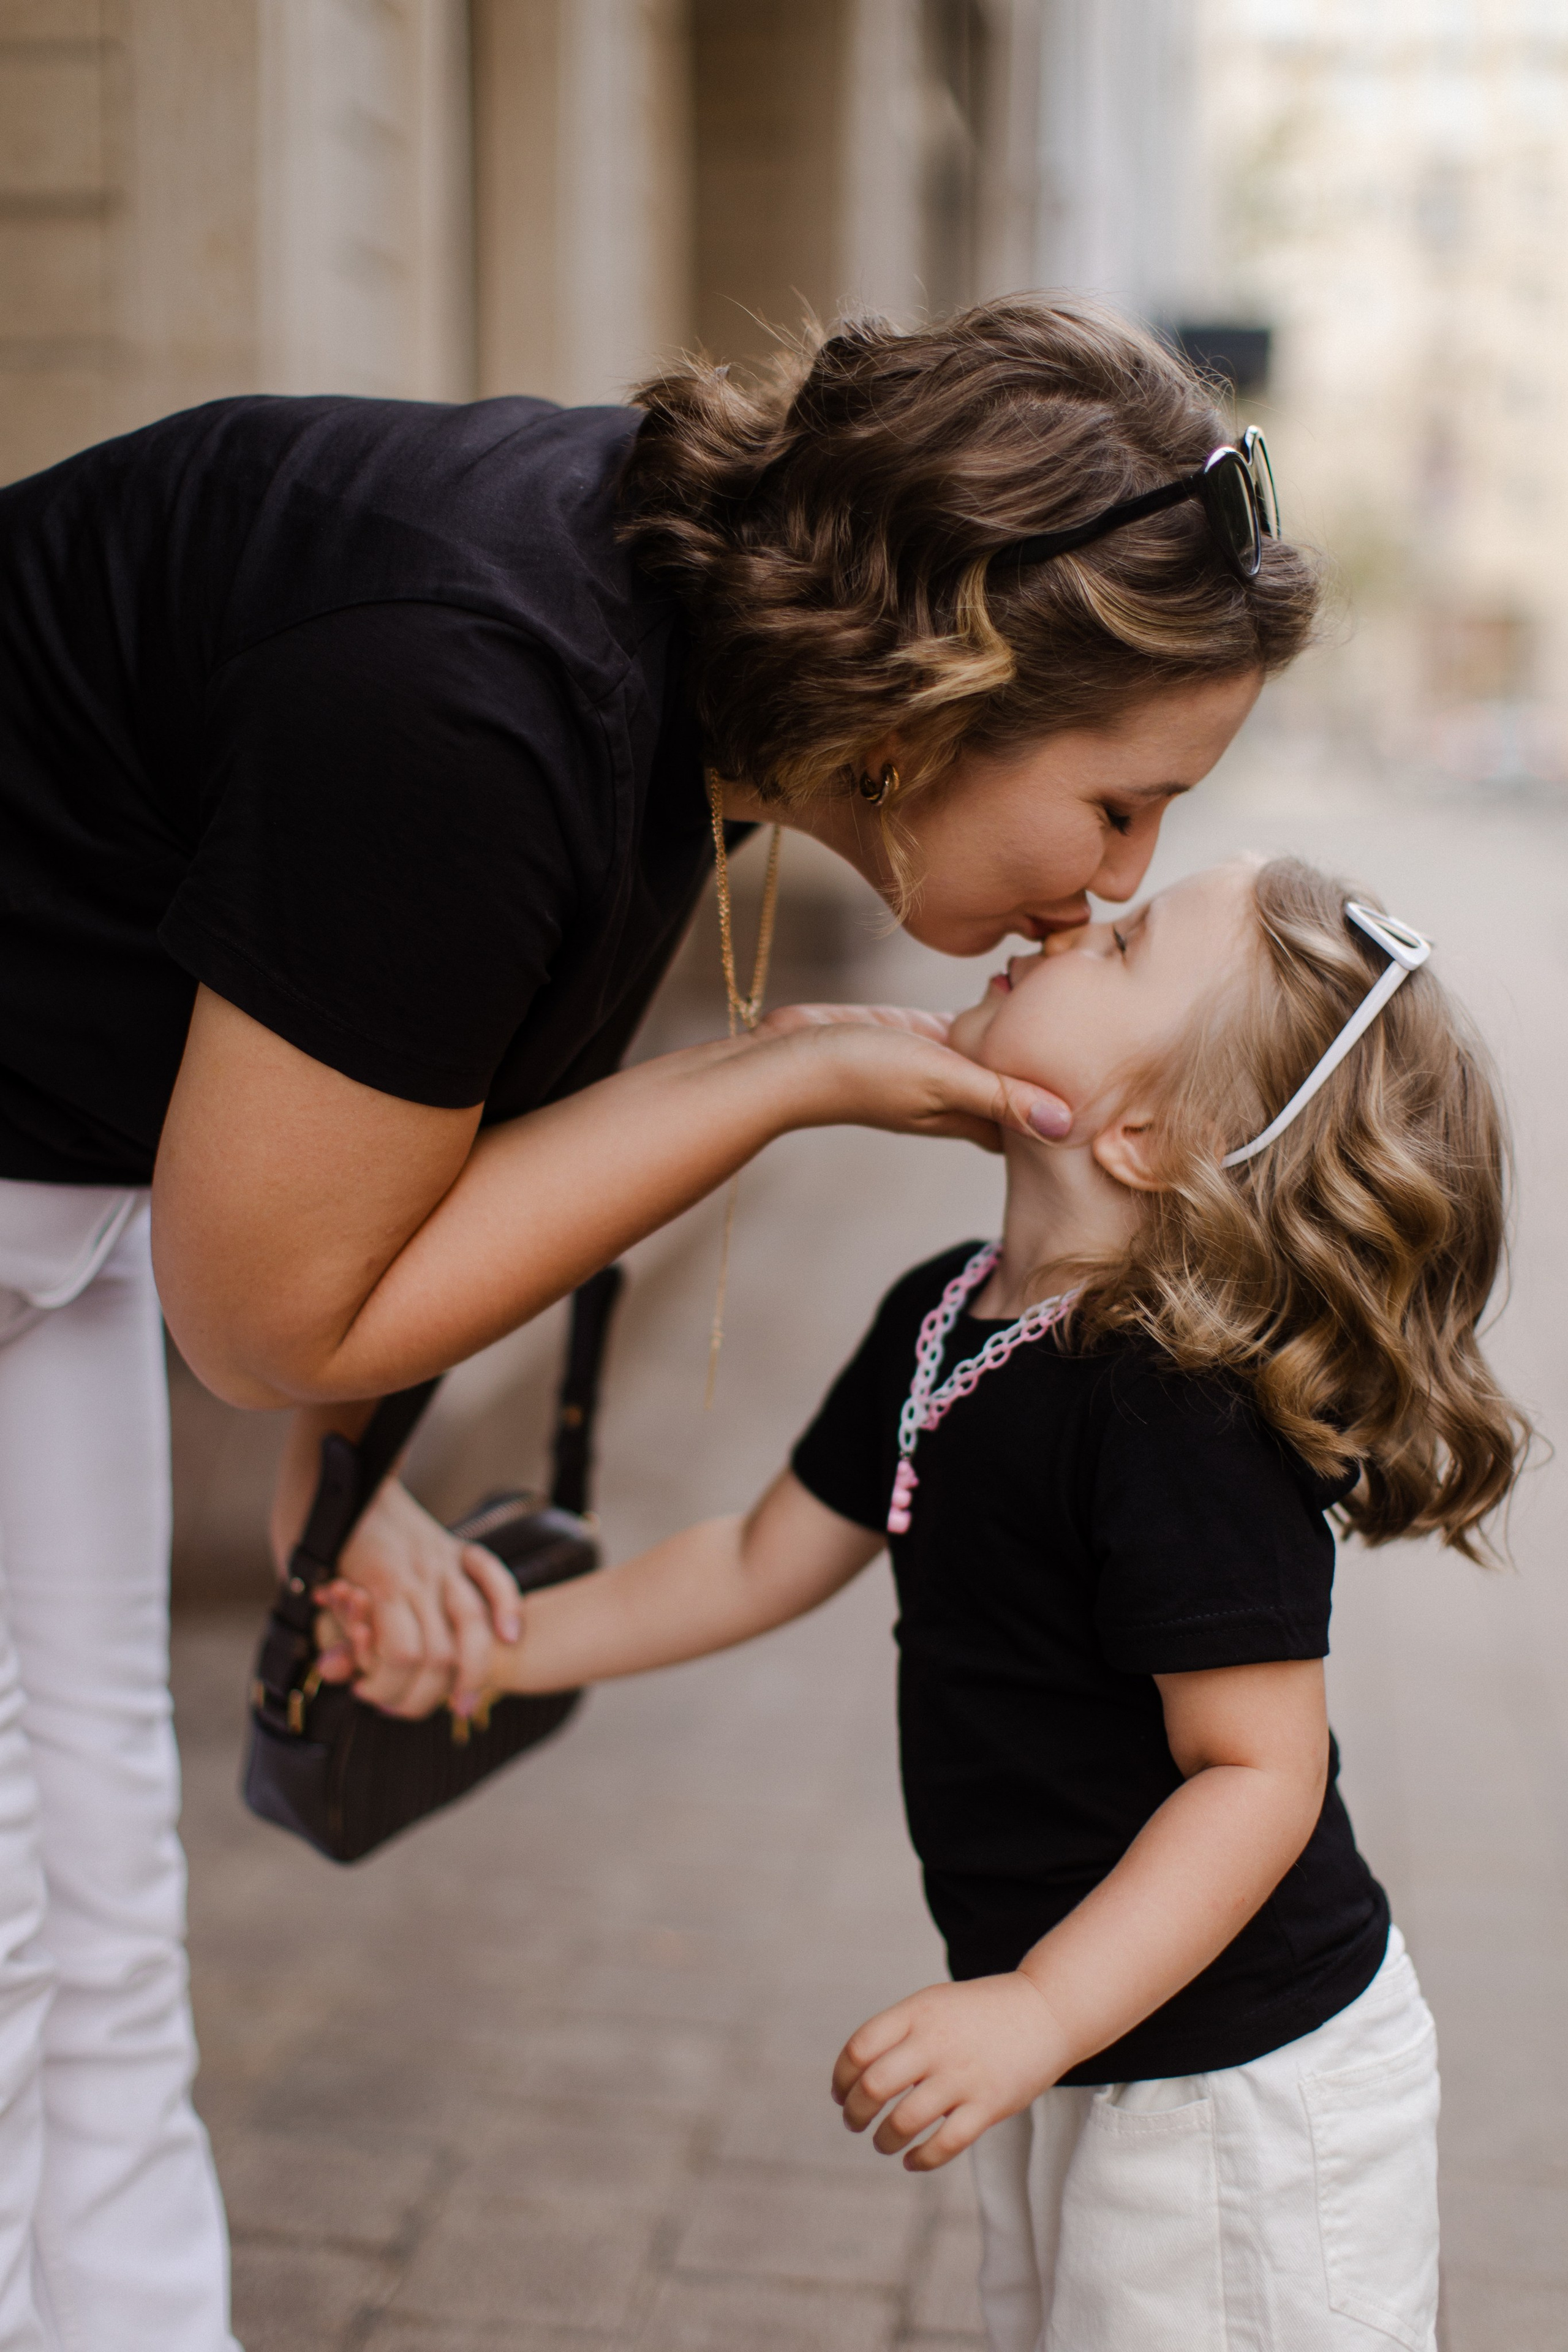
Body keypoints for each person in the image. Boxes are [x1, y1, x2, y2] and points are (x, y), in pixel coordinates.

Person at [0, 297, 1315, 2345]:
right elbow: (263, 1320)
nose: (1111, 887)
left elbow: (393, 1115)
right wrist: (773, 1077)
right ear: (938, 693)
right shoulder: (472, 687)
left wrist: (347, 1478)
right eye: (1119, 807)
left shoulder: (668, 668)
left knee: (91, 1900)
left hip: (46, 1215)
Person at [347, 853, 1529, 2351]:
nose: (1068, 922)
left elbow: (1258, 1774)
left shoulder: (1178, 1411)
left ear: (1146, 1135)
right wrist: (495, 1655)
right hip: (1084, 2039)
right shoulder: (943, 1313)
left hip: (1238, 2082)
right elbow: (753, 1559)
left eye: (1123, 947)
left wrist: (1037, 2009)